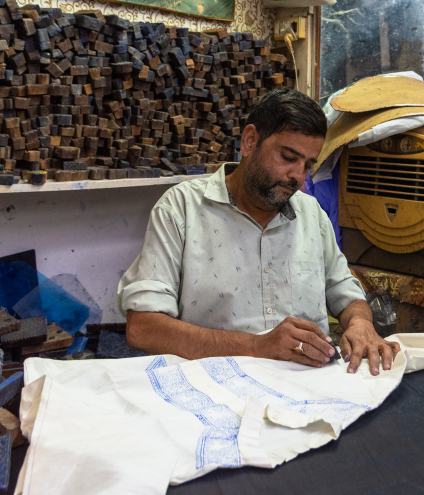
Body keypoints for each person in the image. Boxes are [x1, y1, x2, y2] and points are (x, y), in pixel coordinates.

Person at [119, 89, 400, 375]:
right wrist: (257, 346)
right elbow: (143, 328)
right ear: (250, 141)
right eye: (288, 157)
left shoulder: (311, 213)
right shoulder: (181, 209)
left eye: (308, 165)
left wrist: (361, 323)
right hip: (213, 388)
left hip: (309, 388)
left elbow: (344, 290)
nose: (297, 176)